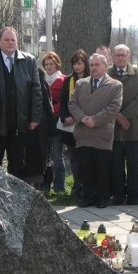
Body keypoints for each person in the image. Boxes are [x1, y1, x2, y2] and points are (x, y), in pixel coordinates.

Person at [0, 27, 43, 180]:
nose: (10, 43)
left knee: (17, 165)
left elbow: (36, 91)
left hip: (20, 124)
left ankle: (15, 199)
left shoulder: (29, 61)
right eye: (6, 40)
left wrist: (35, 118)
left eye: (13, 40)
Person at [68, 53, 122, 208]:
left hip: (102, 134)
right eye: (91, 65)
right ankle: (87, 197)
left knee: (102, 168)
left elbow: (114, 107)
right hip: (84, 133)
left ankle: (102, 197)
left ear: (105, 66)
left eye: (97, 65)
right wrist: (83, 118)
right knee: (86, 168)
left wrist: (95, 120)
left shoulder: (115, 85)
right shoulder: (81, 83)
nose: (93, 68)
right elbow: (72, 104)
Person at [108, 44, 138, 205]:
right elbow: (104, 98)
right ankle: (118, 195)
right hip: (113, 129)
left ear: (129, 56)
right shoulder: (107, 74)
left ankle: (134, 196)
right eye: (117, 55)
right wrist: (117, 116)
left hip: (134, 129)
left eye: (123, 55)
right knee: (116, 165)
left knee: (135, 165)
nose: (120, 58)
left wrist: (125, 116)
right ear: (113, 57)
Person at [59, 50, 89, 198]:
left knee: (85, 157)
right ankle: (77, 185)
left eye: (79, 63)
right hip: (70, 126)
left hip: (85, 124)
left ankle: (86, 185)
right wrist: (65, 117)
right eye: (74, 64)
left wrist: (78, 116)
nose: (76, 67)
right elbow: (63, 101)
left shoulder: (91, 79)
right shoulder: (68, 80)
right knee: (73, 157)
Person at [42, 51, 67, 194]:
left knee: (58, 155)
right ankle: (45, 185)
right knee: (45, 155)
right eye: (46, 64)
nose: (49, 66)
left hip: (57, 121)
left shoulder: (63, 80)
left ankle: (59, 187)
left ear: (57, 64)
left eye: (51, 64)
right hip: (44, 122)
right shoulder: (41, 79)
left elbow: (64, 101)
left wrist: (53, 110)